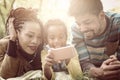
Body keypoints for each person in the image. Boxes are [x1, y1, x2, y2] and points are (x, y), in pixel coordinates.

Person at [69, 0, 120, 80]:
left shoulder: (118, 24)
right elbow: (83, 61)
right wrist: (98, 72)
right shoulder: (76, 29)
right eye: (79, 23)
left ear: (101, 15)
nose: (82, 29)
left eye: (87, 22)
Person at [0, 7, 44, 79]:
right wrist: (12, 40)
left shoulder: (41, 50)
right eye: (30, 35)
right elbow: (6, 75)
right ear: (16, 33)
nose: (35, 41)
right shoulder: (3, 46)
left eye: (39, 37)